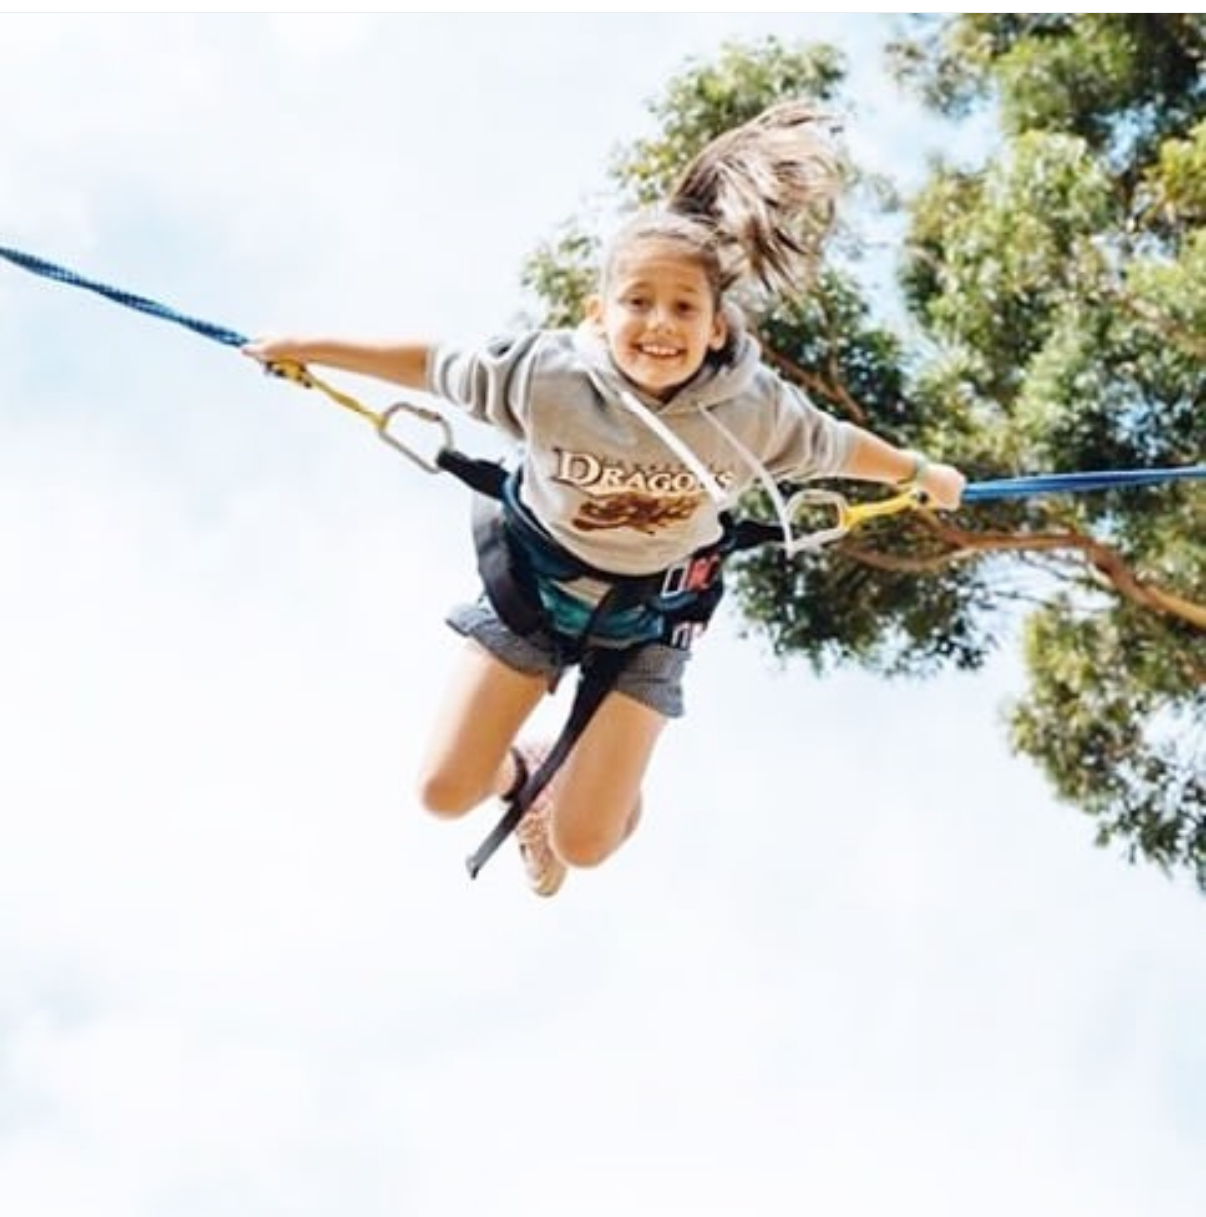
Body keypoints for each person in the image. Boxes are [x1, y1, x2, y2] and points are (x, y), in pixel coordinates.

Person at [242, 101, 966, 898]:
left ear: (717, 326)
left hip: (649, 617)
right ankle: (525, 775)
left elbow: (834, 444)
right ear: (600, 312)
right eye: (638, 302)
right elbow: (431, 364)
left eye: (684, 307)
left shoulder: (754, 409)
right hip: (535, 590)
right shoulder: (548, 376)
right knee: (443, 791)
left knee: (585, 844)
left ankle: (587, 787)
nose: (660, 324)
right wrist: (308, 348)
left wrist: (918, 472)